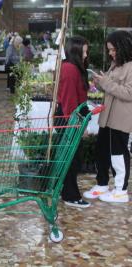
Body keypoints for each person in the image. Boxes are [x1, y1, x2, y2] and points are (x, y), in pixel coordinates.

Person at [83, 30, 132, 203]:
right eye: (109, 50)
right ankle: (102, 184)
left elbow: (128, 93)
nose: (110, 53)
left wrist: (107, 83)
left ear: (122, 47)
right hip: (107, 116)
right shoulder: (116, 64)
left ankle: (120, 190)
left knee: (118, 153)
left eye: (113, 49)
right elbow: (111, 88)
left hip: (121, 118)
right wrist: (101, 83)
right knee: (102, 150)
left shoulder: (131, 66)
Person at [56, 36, 91, 208]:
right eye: (84, 51)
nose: (86, 55)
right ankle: (70, 195)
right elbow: (69, 101)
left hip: (71, 117)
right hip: (69, 119)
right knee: (71, 159)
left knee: (70, 158)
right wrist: (77, 125)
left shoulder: (72, 67)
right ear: (76, 51)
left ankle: (67, 191)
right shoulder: (70, 69)